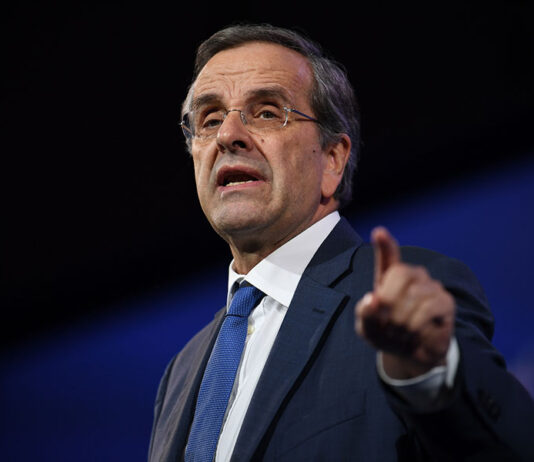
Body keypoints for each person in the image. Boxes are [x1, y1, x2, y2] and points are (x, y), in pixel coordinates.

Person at [148, 24, 534, 461]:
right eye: (210, 119)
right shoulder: (181, 373)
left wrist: (431, 373)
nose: (227, 135)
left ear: (332, 159)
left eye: (267, 113)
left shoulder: (401, 298)